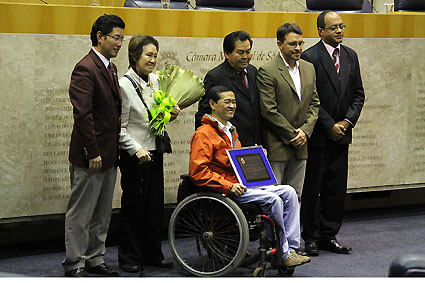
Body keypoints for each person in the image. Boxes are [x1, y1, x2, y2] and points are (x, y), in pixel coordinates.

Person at [189, 85, 311, 271]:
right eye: (227, 102)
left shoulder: (231, 130)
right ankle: (282, 252)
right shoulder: (204, 134)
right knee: (273, 199)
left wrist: (255, 157)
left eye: (234, 102)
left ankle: (291, 249)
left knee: (289, 192)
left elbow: (235, 162)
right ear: (212, 104)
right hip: (225, 190)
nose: (232, 106)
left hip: (243, 184)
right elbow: (198, 172)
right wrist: (227, 185)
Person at [63, 14, 125, 277]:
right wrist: (93, 151)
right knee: (81, 213)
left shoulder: (110, 68)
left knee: (102, 213)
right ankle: (74, 263)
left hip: (110, 155)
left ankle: (95, 258)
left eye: (122, 39)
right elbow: (83, 115)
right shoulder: (85, 68)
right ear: (99, 37)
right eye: (116, 38)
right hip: (92, 155)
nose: (120, 44)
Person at [300, 11, 365, 256]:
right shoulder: (310, 56)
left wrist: (347, 122)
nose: (339, 31)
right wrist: (330, 125)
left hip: (342, 134)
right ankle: (310, 237)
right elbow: (310, 98)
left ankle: (329, 235)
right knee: (312, 188)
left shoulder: (351, 56)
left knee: (336, 188)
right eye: (334, 27)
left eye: (341, 26)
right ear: (321, 31)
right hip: (319, 134)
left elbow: (359, 94)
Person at [118, 34, 180, 276]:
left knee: (155, 205)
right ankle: (129, 257)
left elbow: (156, 114)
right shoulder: (123, 84)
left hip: (156, 150)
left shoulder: (155, 80)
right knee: (134, 206)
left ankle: (153, 254)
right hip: (135, 155)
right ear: (134, 56)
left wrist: (170, 113)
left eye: (155, 55)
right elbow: (119, 128)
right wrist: (136, 149)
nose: (153, 60)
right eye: (148, 55)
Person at [256, 23, 320, 200]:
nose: (298, 48)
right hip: (278, 145)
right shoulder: (267, 71)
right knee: (274, 198)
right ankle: (276, 229)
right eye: (293, 44)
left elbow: (314, 104)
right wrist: (293, 135)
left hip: (302, 145)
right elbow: (269, 110)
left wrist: (305, 133)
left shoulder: (309, 68)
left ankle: (292, 230)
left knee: (296, 196)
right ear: (279, 44)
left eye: (301, 43)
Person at [195, 30, 262, 146]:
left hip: (254, 144)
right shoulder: (215, 76)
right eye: (240, 53)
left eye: (248, 51)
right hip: (228, 146)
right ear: (227, 54)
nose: (245, 57)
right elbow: (204, 114)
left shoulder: (252, 71)